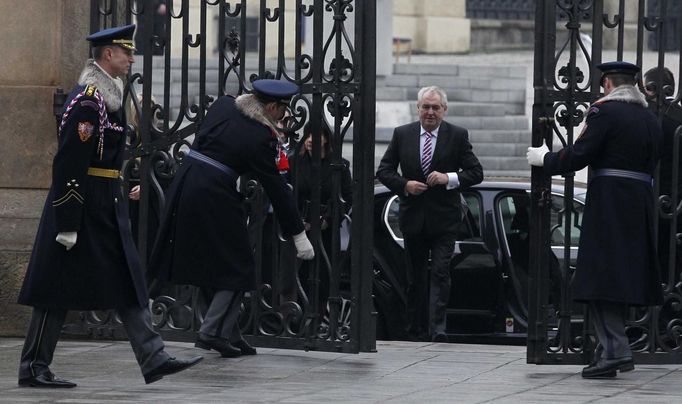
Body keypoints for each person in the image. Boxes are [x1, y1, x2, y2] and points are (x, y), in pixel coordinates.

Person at [16, 24, 202, 388]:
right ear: (107, 55)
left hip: (105, 205)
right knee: (55, 287)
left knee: (127, 277)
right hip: (83, 207)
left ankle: (153, 356)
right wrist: (67, 220)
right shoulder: (88, 100)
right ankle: (33, 367)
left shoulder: (107, 97)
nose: (132, 58)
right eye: (126, 52)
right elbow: (69, 162)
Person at [147, 79, 315, 358]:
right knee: (239, 267)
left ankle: (231, 335)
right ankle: (211, 332)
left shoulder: (224, 104)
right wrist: (298, 235)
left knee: (220, 265)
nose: (283, 118)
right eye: (282, 111)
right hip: (213, 195)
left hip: (186, 184)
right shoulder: (262, 137)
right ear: (271, 107)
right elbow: (276, 189)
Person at [527, 61, 664, 378]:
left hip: (609, 205)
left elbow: (579, 155)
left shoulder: (605, 112)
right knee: (618, 279)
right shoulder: (648, 117)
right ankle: (609, 348)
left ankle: (616, 351)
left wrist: (544, 159)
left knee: (599, 279)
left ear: (606, 84)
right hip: (639, 203)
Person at [376, 86, 484, 342]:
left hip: (444, 221)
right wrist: (405, 185)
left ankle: (438, 330)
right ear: (418, 108)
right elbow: (384, 171)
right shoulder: (402, 134)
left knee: (440, 272)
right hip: (412, 218)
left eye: (435, 107)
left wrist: (449, 178)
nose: (430, 112)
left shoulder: (457, 136)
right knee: (414, 277)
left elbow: (476, 173)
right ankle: (414, 329)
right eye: (426, 107)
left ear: (444, 110)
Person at [282, 123, 353, 304]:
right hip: (297, 229)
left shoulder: (340, 166)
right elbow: (285, 193)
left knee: (322, 279)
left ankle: (319, 321)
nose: (311, 140)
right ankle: (295, 322)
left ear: (326, 139)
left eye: (316, 135)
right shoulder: (293, 162)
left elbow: (347, 198)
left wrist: (327, 221)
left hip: (326, 232)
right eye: (308, 135)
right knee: (295, 278)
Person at [643, 66, 682, 282]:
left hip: (654, 199)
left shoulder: (647, 118)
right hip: (676, 202)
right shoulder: (678, 118)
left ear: (650, 89)